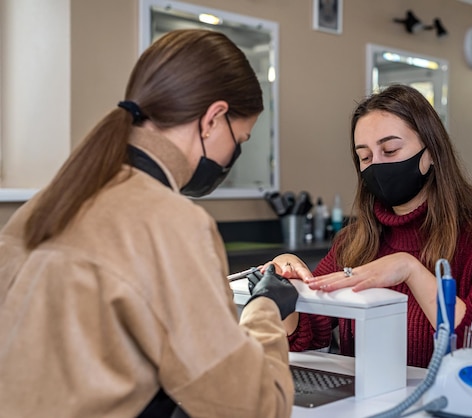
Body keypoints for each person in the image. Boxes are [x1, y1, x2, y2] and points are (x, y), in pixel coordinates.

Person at [0, 29, 298, 417]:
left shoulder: (44, 207)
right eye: (240, 139)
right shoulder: (173, 224)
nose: (233, 155)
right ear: (213, 119)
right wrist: (265, 310)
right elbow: (254, 407)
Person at [270, 84, 472, 368]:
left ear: (431, 153)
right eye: (366, 157)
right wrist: (288, 285)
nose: (377, 165)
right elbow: (307, 333)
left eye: (390, 150)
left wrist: (411, 271)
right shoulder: (353, 241)